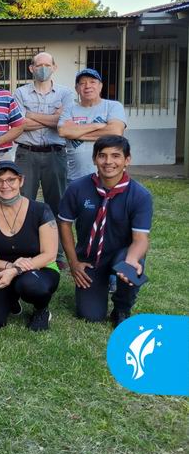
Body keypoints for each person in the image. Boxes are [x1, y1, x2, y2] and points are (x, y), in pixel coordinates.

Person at [58, 136, 152, 326]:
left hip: (121, 256)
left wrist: (131, 260)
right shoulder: (77, 188)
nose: (109, 162)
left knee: (131, 268)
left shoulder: (140, 195)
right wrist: (74, 262)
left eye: (116, 156)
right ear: (94, 159)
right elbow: (64, 224)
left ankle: (122, 309)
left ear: (127, 160)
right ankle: (98, 286)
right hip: (90, 260)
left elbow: (141, 239)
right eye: (102, 156)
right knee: (90, 315)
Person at [0, 161, 60, 332]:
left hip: (39, 268)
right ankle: (11, 298)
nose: (5, 185)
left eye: (11, 180)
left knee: (31, 285)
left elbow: (49, 254)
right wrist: (10, 266)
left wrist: (16, 271)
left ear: (21, 181)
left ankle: (41, 310)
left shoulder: (41, 210)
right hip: (1, 268)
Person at [13, 52, 75, 264]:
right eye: (38, 65)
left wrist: (31, 115)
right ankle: (28, 251)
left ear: (54, 67)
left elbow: (64, 123)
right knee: (22, 204)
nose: (43, 68)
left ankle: (56, 254)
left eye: (47, 64)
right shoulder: (20, 93)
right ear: (31, 68)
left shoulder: (66, 93)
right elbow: (19, 125)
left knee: (57, 205)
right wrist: (52, 119)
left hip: (55, 155)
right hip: (26, 154)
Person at [58, 68, 127, 182]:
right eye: (82, 83)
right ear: (77, 89)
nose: (87, 86)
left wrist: (75, 133)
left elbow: (115, 132)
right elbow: (63, 131)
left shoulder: (113, 106)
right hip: (75, 178)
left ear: (100, 86)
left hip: (108, 177)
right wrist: (97, 125)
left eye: (92, 82)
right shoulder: (69, 109)